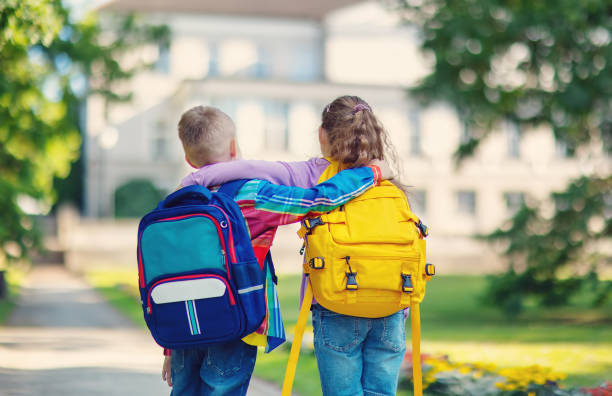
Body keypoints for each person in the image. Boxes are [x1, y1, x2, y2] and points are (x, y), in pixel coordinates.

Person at [184, 96, 409, 396]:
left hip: (332, 299)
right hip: (392, 302)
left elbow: (252, 168)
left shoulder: (305, 174)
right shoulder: (389, 183)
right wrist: (375, 172)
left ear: (321, 135)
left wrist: (196, 178)